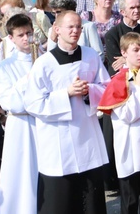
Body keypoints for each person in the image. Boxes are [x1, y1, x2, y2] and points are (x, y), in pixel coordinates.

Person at [25, 11, 110, 214]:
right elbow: (33, 103)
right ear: (57, 29)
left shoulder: (91, 55)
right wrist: (67, 94)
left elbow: (107, 88)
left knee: (91, 202)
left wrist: (90, 90)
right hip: (58, 140)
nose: (75, 31)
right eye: (70, 27)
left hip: (87, 137)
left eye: (79, 27)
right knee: (61, 203)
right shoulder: (44, 64)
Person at [97, 32, 140, 214]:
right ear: (124, 53)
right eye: (135, 50)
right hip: (130, 148)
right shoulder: (117, 81)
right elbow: (127, 115)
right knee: (130, 199)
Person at [0, 14, 37, 214]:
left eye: (29, 33)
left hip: (45, 124)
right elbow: (9, 102)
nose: (26, 39)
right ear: (10, 38)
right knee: (21, 174)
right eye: (20, 35)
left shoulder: (45, 59)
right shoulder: (5, 66)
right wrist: (28, 79)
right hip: (21, 126)